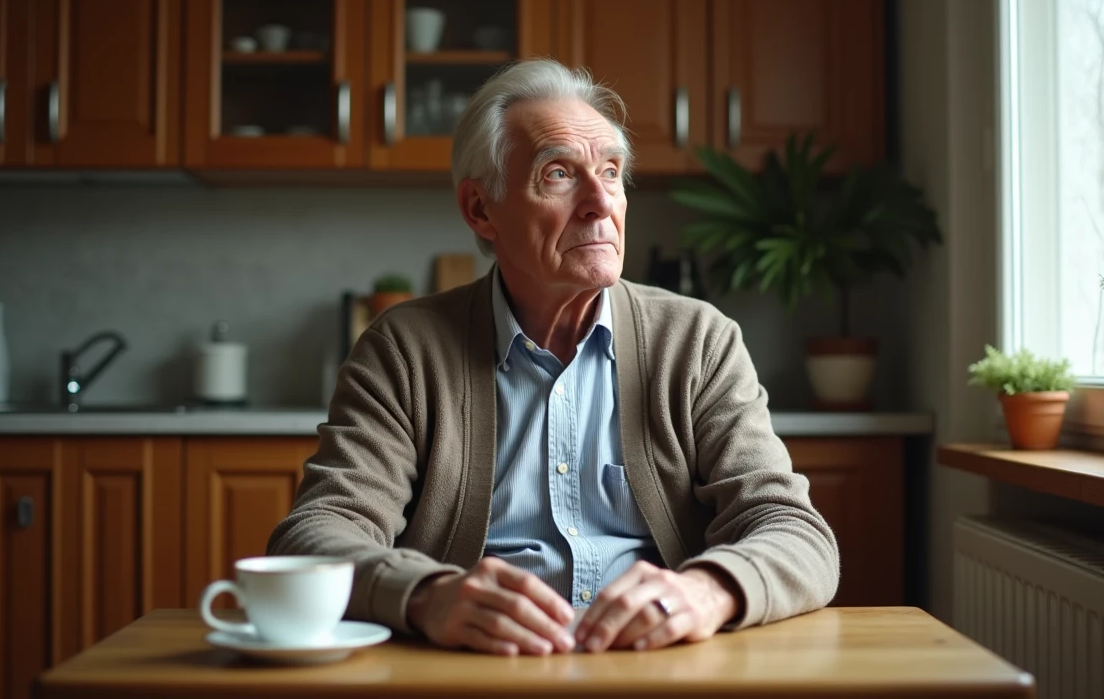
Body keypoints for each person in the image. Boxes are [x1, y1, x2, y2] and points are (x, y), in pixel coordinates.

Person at [267, 59, 839, 656]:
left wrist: (706, 592)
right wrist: (428, 595)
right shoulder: (404, 349)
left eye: (611, 172)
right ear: (480, 210)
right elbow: (314, 535)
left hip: (658, 669)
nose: (599, 203)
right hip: (472, 671)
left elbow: (796, 533)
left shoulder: (698, 341)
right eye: (560, 173)